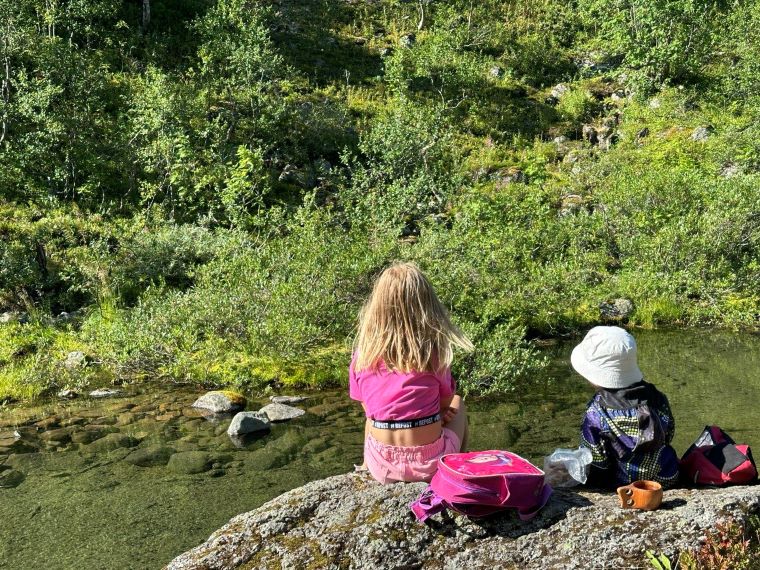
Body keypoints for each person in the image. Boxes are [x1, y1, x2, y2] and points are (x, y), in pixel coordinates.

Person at [349, 262, 472, 484]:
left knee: (373, 417)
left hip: (382, 467)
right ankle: (455, 474)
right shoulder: (433, 354)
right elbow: (445, 403)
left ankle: (366, 465)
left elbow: (369, 408)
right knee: (458, 403)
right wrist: (439, 416)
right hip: (431, 465)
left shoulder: (363, 355)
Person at [571, 326, 680, 489]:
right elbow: (669, 433)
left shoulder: (596, 412)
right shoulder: (657, 397)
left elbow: (597, 462)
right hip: (668, 475)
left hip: (626, 483)